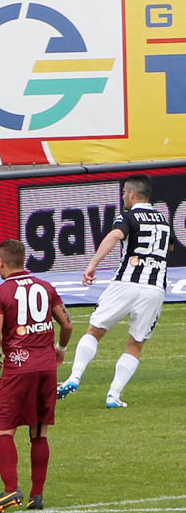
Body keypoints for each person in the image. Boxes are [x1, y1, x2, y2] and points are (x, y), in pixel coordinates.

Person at [58, 174, 173, 408]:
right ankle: (114, 395)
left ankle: (75, 376)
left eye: (124, 193)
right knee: (135, 345)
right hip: (154, 288)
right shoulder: (163, 219)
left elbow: (114, 235)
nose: (122, 197)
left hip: (126, 283)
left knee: (95, 330)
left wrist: (92, 265)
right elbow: (169, 246)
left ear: (132, 194)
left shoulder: (129, 216)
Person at [0, 239, 73, 513]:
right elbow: (67, 323)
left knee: (4, 428)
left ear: (0, 261)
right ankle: (37, 495)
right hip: (46, 367)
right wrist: (59, 349)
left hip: (17, 368)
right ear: (24, 261)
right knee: (39, 431)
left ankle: (11, 488)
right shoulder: (46, 288)